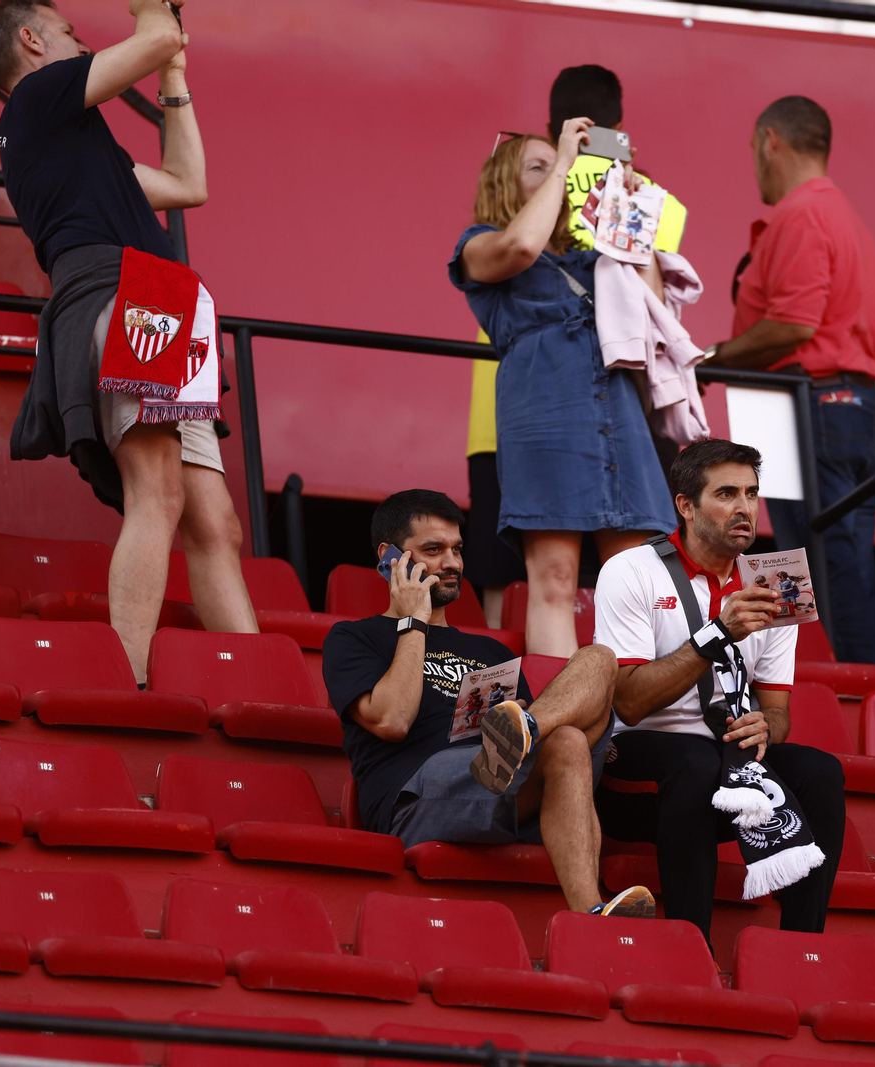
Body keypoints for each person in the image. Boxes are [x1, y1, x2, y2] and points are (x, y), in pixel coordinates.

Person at [0, 0, 257, 683]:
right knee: (158, 493)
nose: (82, 40)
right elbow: (157, 27)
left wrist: (173, 71)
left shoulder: (69, 137)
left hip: (157, 301)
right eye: (70, 31)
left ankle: (257, 678)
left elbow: (189, 183)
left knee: (214, 524)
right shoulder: (40, 95)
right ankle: (125, 677)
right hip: (131, 295)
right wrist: (151, 14)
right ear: (31, 40)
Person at [322, 490, 654, 918]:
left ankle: (590, 915)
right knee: (559, 739)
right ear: (390, 558)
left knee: (595, 673)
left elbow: (555, 745)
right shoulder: (354, 638)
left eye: (457, 549)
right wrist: (412, 622)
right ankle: (587, 904)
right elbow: (393, 720)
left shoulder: (491, 650)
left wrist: (530, 731)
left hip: (502, 786)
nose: (452, 563)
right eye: (433, 550)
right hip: (417, 798)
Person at [461, 65, 691, 627]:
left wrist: (631, 219)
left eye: (553, 161)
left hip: (615, 410)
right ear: (503, 184)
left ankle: (632, 707)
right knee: (555, 577)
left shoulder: (593, 250)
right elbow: (517, 246)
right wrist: (563, 161)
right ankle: (557, 711)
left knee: (634, 581)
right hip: (543, 412)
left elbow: (648, 310)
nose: (558, 173)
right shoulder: (478, 244)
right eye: (535, 165)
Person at [592, 439, 846, 940]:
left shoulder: (775, 582)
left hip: (725, 761)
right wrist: (716, 634)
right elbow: (630, 702)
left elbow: (778, 712)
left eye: (751, 494)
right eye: (726, 494)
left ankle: (799, 947)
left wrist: (764, 726)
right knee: (695, 761)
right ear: (685, 506)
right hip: (630, 768)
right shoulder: (630, 569)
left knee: (821, 771)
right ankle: (689, 944)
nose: (744, 508)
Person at [704, 95, 875, 666]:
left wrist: (710, 359)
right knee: (842, 565)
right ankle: (866, 689)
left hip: (812, 409)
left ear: (769, 140)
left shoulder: (802, 212)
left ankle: (858, 691)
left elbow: (793, 324)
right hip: (852, 408)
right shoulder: (841, 214)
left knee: (817, 567)